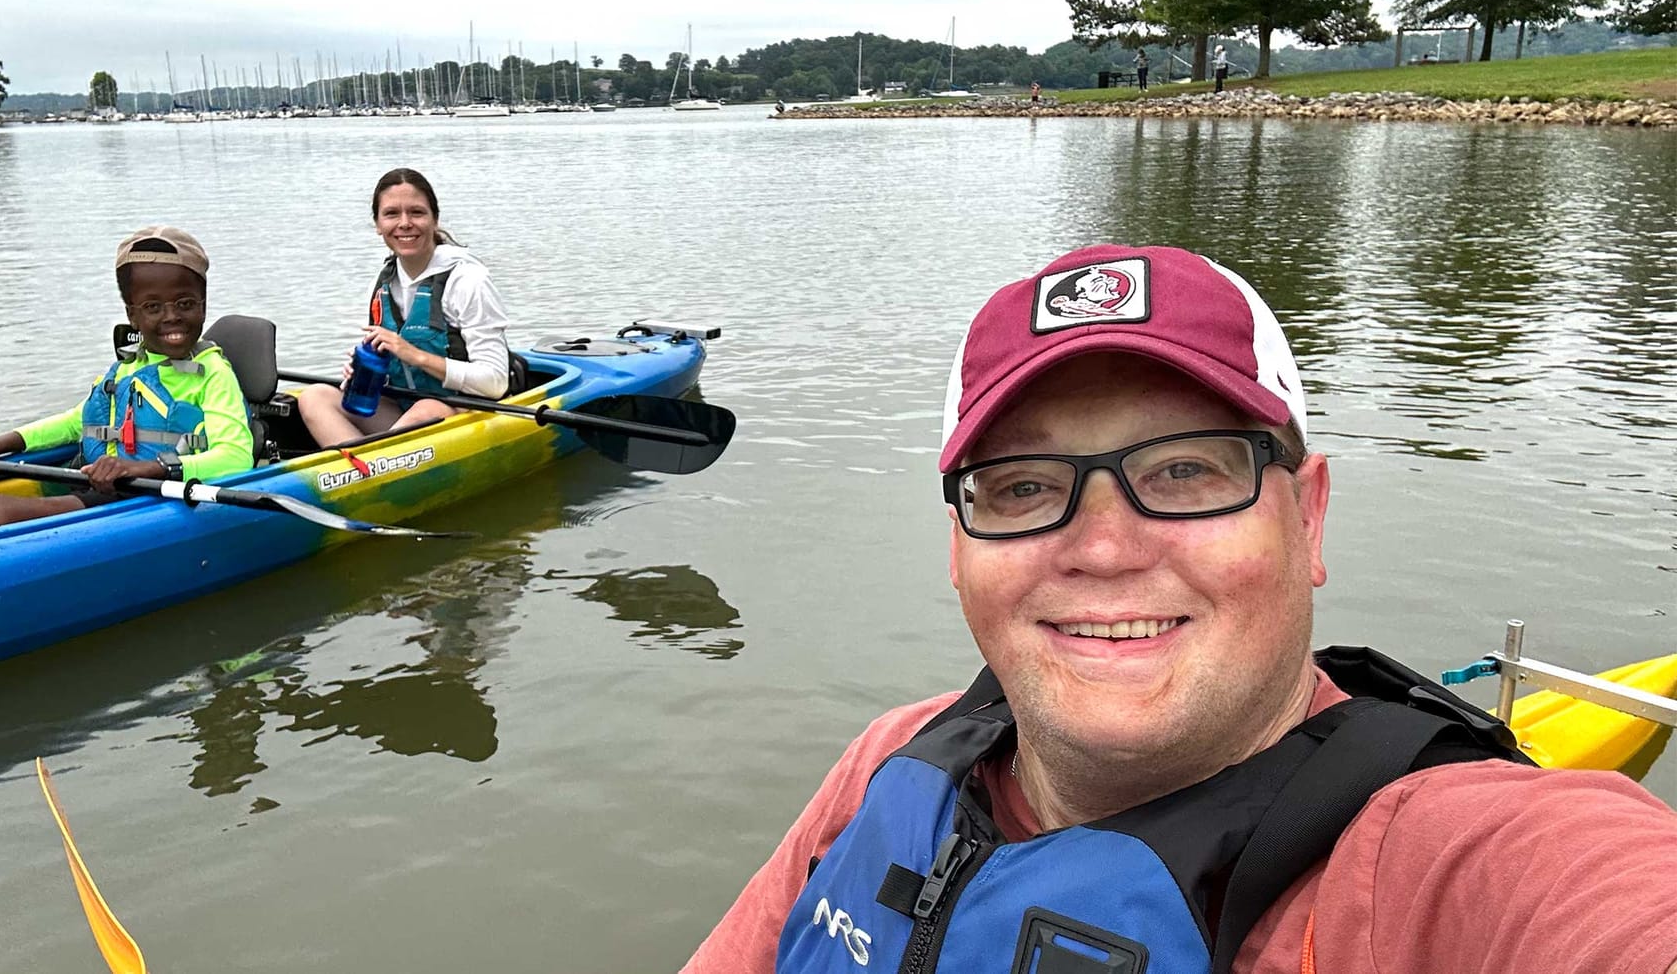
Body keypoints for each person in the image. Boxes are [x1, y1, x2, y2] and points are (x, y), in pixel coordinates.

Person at [684, 245, 1677, 974]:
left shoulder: (1453, 873)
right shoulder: (891, 761)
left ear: (1308, 514)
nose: (1105, 547)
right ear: (958, 546)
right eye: (1024, 486)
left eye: (1185, 470)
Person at [0, 227, 254, 526]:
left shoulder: (213, 375)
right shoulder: (130, 367)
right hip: (116, 488)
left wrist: (147, 468)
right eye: (153, 307)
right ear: (132, 315)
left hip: (158, 496)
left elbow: (236, 457)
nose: (172, 317)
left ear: (203, 304)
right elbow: (77, 421)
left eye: (185, 304)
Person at [297, 168, 511, 446]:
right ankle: (358, 470)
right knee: (315, 397)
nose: (405, 223)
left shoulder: (468, 280)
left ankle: (368, 472)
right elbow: (392, 364)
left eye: (417, 213)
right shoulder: (385, 281)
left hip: (464, 413)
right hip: (406, 411)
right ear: (377, 224)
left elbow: (495, 383)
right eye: (391, 214)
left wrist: (413, 355)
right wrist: (365, 370)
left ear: (435, 219)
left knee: (427, 409)